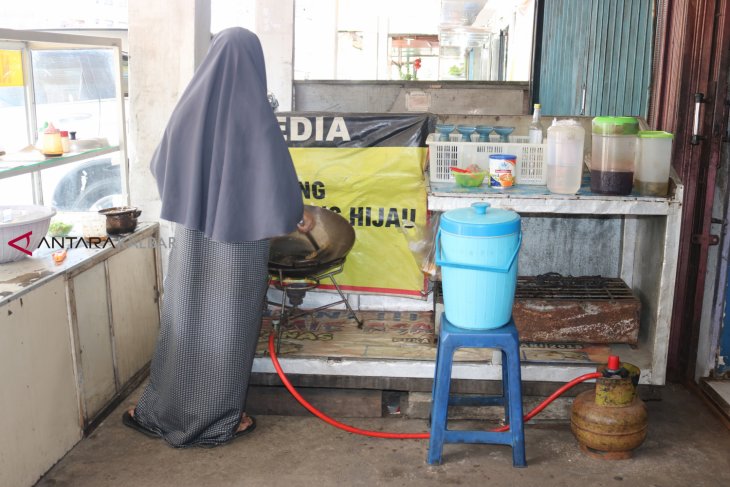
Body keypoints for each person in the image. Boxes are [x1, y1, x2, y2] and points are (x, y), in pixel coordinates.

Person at [122, 27, 313, 448]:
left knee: (185, 316)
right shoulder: (254, 112)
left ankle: (160, 411)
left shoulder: (190, 106)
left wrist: (192, 200)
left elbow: (160, 162)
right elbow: (277, 181)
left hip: (192, 234)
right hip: (239, 242)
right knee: (228, 323)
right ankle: (215, 419)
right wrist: (295, 217)